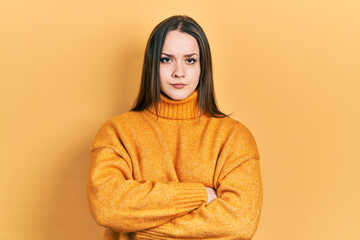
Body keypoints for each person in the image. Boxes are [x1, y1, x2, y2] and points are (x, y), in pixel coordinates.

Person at [87, 15, 263, 240]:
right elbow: (106, 206)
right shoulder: (116, 133)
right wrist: (200, 194)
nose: (179, 72)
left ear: (203, 66)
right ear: (152, 64)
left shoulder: (234, 137)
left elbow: (240, 222)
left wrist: (136, 229)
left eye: (190, 60)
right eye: (166, 59)